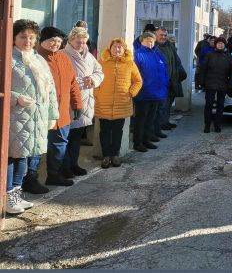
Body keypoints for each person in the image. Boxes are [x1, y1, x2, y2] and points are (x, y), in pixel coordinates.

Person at [6, 20, 59, 214]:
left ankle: (17, 196)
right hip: (15, 118)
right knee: (12, 157)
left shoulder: (39, 59)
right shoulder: (7, 58)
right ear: (14, 38)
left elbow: (50, 89)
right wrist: (16, 98)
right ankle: (8, 197)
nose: (27, 41)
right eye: (22, 37)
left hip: (36, 117)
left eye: (31, 37)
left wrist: (53, 115)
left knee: (25, 158)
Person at [23, 27, 83, 193]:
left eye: (58, 41)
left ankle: (54, 174)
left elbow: (73, 83)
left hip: (62, 111)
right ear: (42, 40)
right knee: (37, 146)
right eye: (52, 41)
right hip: (41, 112)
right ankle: (29, 179)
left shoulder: (63, 58)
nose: (55, 44)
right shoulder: (36, 58)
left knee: (59, 144)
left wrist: (77, 104)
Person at [63, 27, 104, 178]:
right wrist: (80, 82)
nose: (81, 43)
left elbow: (99, 72)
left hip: (86, 101)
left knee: (77, 137)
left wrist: (93, 80)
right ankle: (63, 166)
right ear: (71, 40)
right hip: (69, 101)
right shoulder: (63, 54)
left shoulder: (89, 56)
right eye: (78, 40)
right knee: (65, 137)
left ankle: (73, 164)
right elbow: (62, 79)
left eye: (83, 40)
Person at [95, 38, 142, 168]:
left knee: (117, 131)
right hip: (104, 102)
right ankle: (105, 156)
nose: (117, 49)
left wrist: (131, 93)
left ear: (124, 49)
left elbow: (138, 81)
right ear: (110, 48)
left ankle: (115, 155)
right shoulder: (102, 62)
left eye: (120, 47)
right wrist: (97, 94)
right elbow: (95, 79)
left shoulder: (130, 64)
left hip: (122, 103)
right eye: (115, 47)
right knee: (104, 131)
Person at [133, 32, 169, 152]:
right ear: (142, 41)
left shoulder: (157, 54)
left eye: (152, 41)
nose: (150, 43)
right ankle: (137, 142)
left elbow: (164, 71)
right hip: (143, 93)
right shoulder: (138, 54)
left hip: (157, 93)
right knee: (141, 119)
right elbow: (134, 75)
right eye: (148, 40)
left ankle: (146, 140)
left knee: (150, 119)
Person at [200, 36, 232, 133]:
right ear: (216, 45)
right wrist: (201, 82)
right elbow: (203, 70)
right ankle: (207, 125)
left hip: (223, 84)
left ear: (224, 45)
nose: (220, 44)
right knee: (209, 105)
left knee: (220, 106)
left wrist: (231, 84)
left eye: (222, 43)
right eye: (218, 43)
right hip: (210, 84)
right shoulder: (209, 55)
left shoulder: (229, 56)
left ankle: (217, 125)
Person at [156, 27, 186, 132]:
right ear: (156, 35)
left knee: (168, 103)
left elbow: (177, 61)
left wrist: (181, 73)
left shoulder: (170, 46)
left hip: (171, 80)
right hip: (160, 82)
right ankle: (159, 125)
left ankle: (165, 121)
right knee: (161, 105)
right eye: (161, 35)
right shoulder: (153, 47)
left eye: (165, 35)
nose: (163, 37)